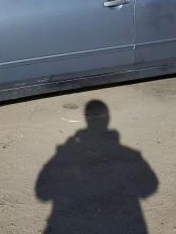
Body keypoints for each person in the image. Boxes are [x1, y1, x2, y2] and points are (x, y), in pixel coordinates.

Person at [36, 100, 158, 233]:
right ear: (108, 119)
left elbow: (42, 193)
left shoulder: (68, 151)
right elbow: (150, 186)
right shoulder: (130, 155)